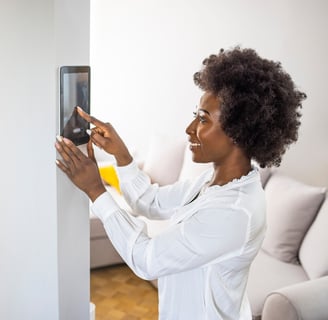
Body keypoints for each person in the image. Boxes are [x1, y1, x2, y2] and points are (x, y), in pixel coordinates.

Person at [55, 46, 306, 320]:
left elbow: (147, 259)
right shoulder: (213, 182)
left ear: (238, 132)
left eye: (202, 119)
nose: (189, 128)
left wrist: (96, 191)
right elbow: (149, 201)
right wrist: (122, 156)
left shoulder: (234, 212)